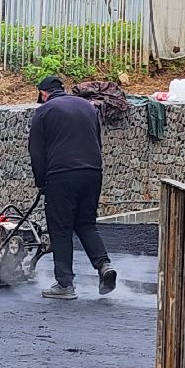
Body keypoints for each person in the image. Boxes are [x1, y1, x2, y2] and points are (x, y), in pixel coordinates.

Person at [29, 75, 117, 300]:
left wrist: (42, 182)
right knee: (86, 223)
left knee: (61, 229)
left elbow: (36, 152)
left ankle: (64, 284)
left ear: (43, 93)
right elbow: (97, 140)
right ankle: (104, 266)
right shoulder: (88, 107)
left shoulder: (44, 111)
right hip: (92, 172)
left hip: (62, 174)